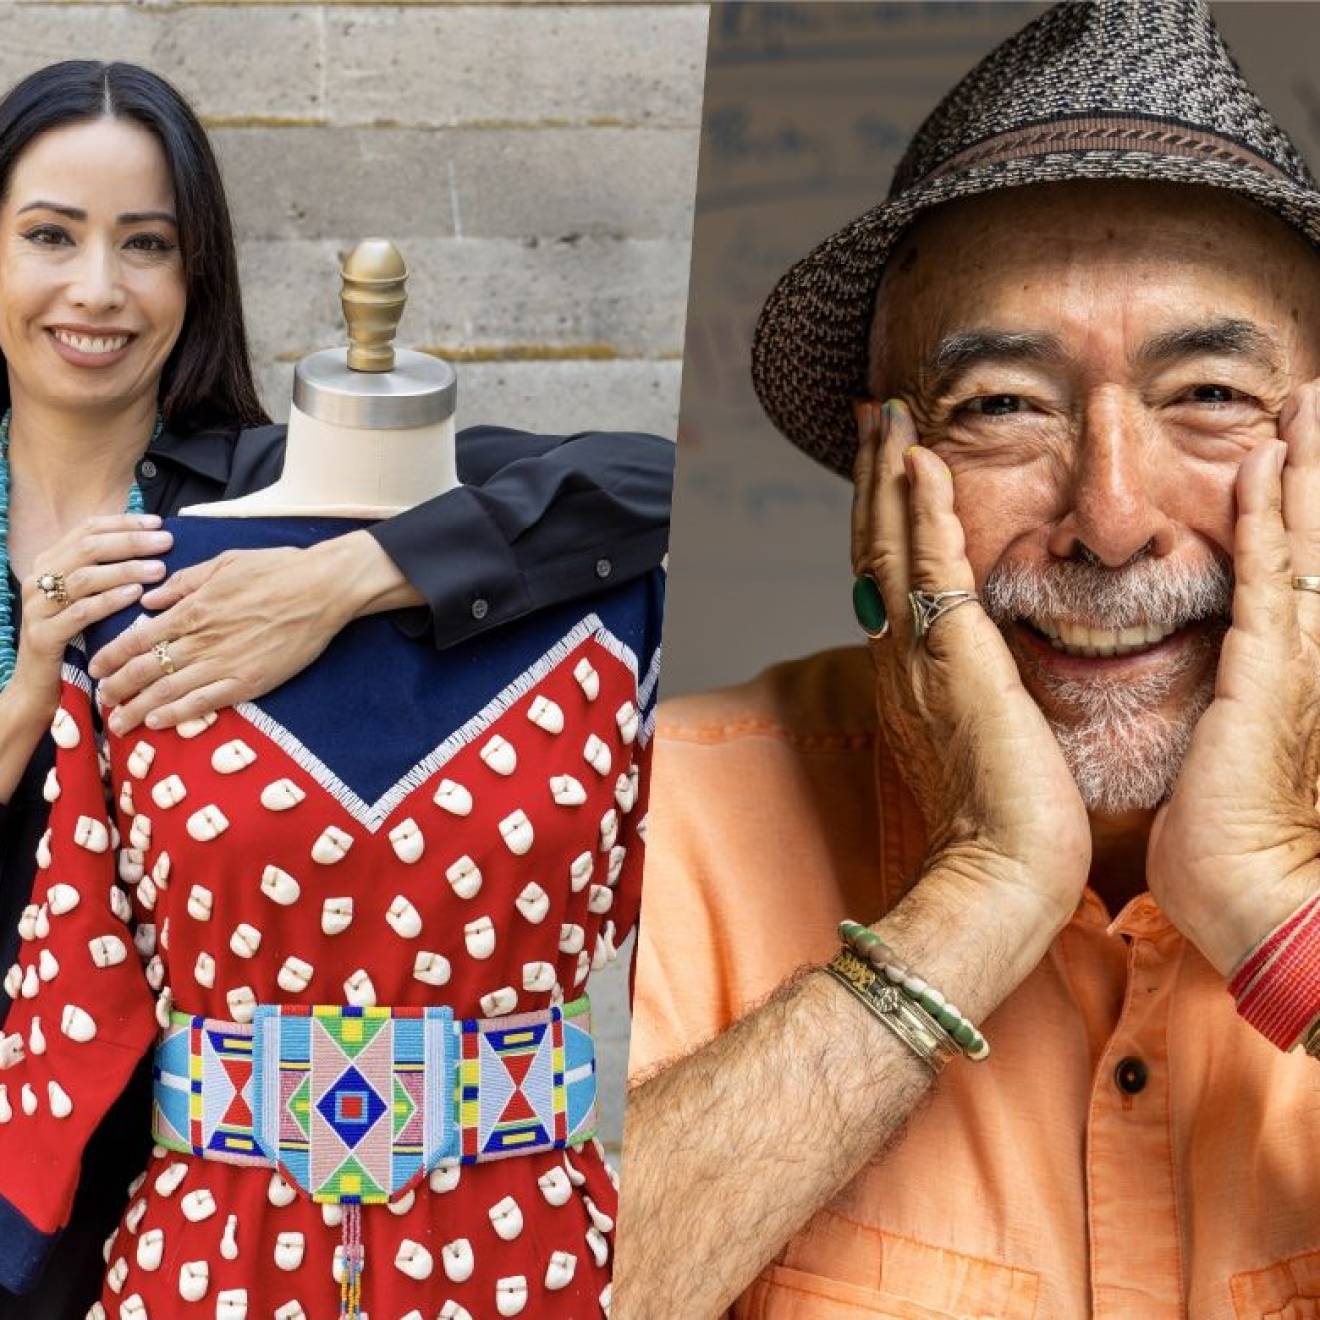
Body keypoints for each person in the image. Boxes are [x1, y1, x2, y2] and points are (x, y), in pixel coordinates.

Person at [618, 3, 1320, 1318]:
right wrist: (976, 897)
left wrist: (1280, 909)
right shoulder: (644, 817)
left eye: (1212, 398)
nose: (1112, 523)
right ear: (887, 480)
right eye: (1003, 407)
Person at [0, 60, 671, 1316]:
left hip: (220, 1168)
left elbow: (642, 483)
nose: (97, 286)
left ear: (195, 276)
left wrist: (350, 572)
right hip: (56, 1153)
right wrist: (38, 679)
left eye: (145, 244)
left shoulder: (277, 492)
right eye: (49, 235)